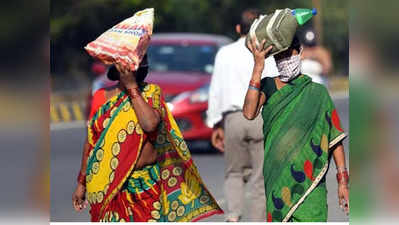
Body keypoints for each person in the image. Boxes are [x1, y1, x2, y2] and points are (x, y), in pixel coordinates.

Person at [72, 55, 223, 222]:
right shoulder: (100, 97)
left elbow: (150, 124)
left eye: (134, 62)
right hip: (109, 188)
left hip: (145, 186)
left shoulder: (151, 93)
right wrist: (81, 183)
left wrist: (131, 88)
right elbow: (91, 143)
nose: (128, 66)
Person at [243, 35, 349, 222]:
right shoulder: (268, 86)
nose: (284, 60)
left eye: (288, 53)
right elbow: (249, 112)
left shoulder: (318, 93)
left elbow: (335, 139)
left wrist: (342, 181)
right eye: (279, 56)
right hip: (278, 179)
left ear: (299, 52)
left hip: (311, 182)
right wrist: (257, 68)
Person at [207, 9, 279, 222]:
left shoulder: (224, 53)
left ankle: (233, 216)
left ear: (238, 28)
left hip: (233, 119)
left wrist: (215, 124)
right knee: (259, 177)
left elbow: (215, 90)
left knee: (234, 172)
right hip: (259, 117)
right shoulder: (267, 52)